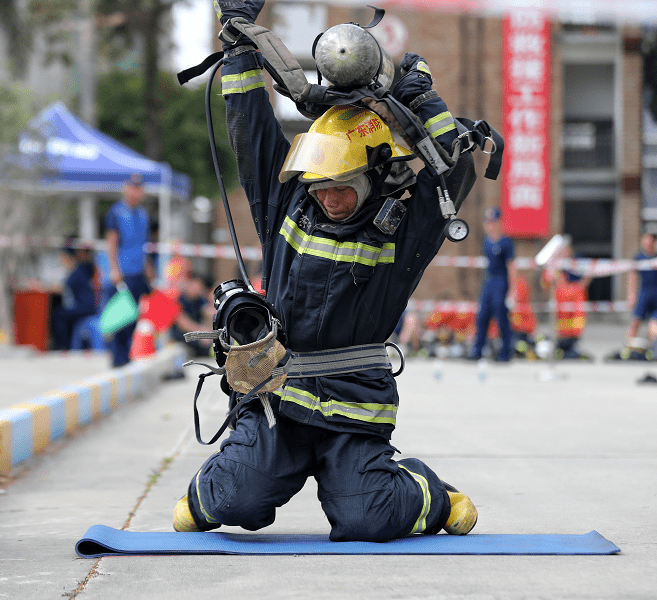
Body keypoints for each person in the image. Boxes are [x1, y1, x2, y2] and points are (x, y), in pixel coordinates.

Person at [173, 0, 479, 542]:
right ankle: (220, 486)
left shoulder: (404, 226)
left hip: (352, 404)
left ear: (373, 175)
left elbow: (455, 170)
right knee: (233, 500)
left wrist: (420, 99)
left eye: (343, 187)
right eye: (321, 186)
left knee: (366, 517)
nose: (330, 199)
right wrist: (238, 44)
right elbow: (252, 131)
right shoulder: (288, 200)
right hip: (278, 395)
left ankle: (430, 494)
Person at [105, 172, 152, 367]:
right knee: (121, 316)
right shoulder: (116, 213)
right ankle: (118, 357)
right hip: (123, 271)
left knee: (135, 316)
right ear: (126, 189)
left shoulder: (143, 214)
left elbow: (144, 244)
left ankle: (128, 354)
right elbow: (112, 243)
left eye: (138, 188)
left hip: (138, 271)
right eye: (132, 188)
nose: (135, 192)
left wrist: (148, 267)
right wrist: (114, 269)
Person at [470, 208, 517, 362]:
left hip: (501, 281)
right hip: (489, 281)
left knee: (501, 316)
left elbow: (511, 267)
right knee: (482, 316)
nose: (490, 226)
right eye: (487, 222)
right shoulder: (486, 241)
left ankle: (505, 352)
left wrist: (513, 290)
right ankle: (477, 350)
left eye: (493, 222)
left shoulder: (506, 242)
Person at [51, 238, 97, 350]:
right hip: (84, 306)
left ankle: (63, 346)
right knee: (62, 313)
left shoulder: (77, 271)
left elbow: (61, 288)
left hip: (86, 307)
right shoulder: (77, 271)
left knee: (58, 315)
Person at [625, 232, 657, 350]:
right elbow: (632, 277)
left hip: (656, 294)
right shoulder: (639, 258)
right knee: (635, 322)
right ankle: (628, 348)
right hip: (644, 294)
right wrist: (631, 295)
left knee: (654, 325)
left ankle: (652, 348)